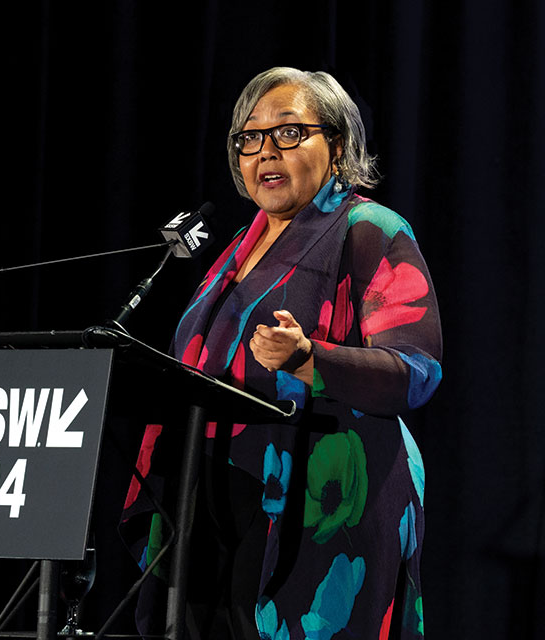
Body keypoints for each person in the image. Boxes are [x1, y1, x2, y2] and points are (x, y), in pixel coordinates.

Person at [121, 67, 442, 639]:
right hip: (209, 509)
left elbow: (415, 372)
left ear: (337, 145)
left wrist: (308, 358)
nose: (265, 150)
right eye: (249, 138)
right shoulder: (231, 256)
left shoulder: (368, 228)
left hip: (318, 506)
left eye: (289, 133)